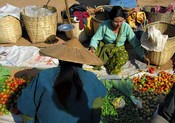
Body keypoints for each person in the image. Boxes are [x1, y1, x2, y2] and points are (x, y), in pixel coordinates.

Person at [17, 38, 107, 123]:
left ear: (60, 59)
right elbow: (98, 103)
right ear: (82, 62)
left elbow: (25, 108)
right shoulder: (91, 78)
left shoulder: (44, 76)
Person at [89, 6, 150, 74]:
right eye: (115, 22)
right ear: (111, 19)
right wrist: (92, 48)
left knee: (122, 57)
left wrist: (143, 56)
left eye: (121, 21)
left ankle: (112, 69)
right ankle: (109, 62)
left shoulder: (126, 27)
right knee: (91, 56)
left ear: (124, 19)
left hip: (119, 50)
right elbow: (95, 38)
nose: (118, 24)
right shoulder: (104, 25)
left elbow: (135, 42)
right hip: (106, 49)